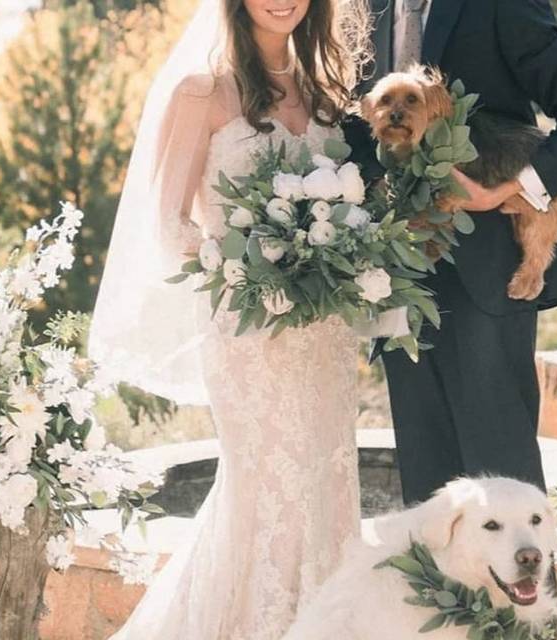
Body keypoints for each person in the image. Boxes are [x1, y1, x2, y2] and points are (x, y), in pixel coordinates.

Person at [89, 1, 370, 637]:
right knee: (262, 492)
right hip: (249, 331)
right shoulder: (202, 94)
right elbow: (168, 228)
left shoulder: (326, 92)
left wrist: (339, 251)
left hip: (323, 334)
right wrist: (261, 256)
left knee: (327, 487)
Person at [344, 0, 557, 505]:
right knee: (427, 479)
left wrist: (513, 190)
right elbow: (357, 133)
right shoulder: (366, 10)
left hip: (490, 270)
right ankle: (436, 587)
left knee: (501, 477)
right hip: (396, 275)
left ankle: (516, 588)